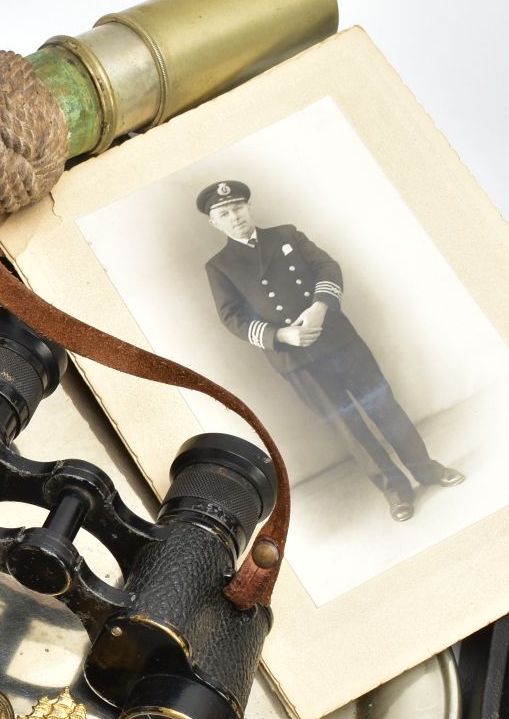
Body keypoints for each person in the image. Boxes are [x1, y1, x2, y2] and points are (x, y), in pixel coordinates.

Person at [198, 180, 463, 521]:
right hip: (295, 358)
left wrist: (320, 306)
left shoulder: (285, 234)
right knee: (348, 427)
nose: (234, 217)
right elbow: (231, 316)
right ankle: (395, 489)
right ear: (214, 222)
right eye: (224, 213)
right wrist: (281, 336)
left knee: (384, 406)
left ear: (249, 208)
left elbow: (328, 267)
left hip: (338, 339)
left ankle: (426, 470)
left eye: (238, 208)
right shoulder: (219, 266)